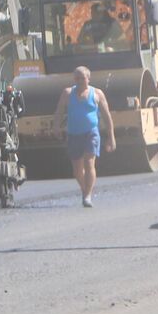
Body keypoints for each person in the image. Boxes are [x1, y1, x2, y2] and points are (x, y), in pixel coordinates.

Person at [55, 65, 114, 208]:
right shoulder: (67, 93)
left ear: (88, 78)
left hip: (91, 133)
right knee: (77, 169)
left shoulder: (97, 94)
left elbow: (107, 116)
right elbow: (59, 112)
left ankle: (87, 196)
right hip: (74, 134)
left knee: (89, 163)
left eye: (83, 78)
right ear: (74, 79)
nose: (80, 81)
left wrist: (111, 136)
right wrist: (56, 127)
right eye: (77, 78)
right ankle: (85, 190)